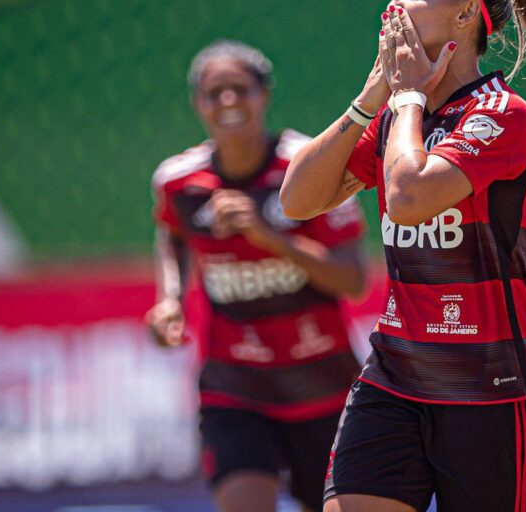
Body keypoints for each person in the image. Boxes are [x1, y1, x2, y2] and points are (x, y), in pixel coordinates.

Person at [280, 1, 526, 510]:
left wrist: (406, 99)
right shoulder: (393, 117)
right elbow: (296, 201)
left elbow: (407, 198)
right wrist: (369, 100)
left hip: (487, 387)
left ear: (467, 12)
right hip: (393, 377)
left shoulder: (501, 113)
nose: (394, 4)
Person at [145, 40, 367, 512]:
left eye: (240, 90)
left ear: (263, 95)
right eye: (215, 93)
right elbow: (173, 233)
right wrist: (170, 300)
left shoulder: (308, 165)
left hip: (323, 385)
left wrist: (268, 238)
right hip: (235, 387)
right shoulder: (179, 181)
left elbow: (352, 279)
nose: (228, 102)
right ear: (197, 104)